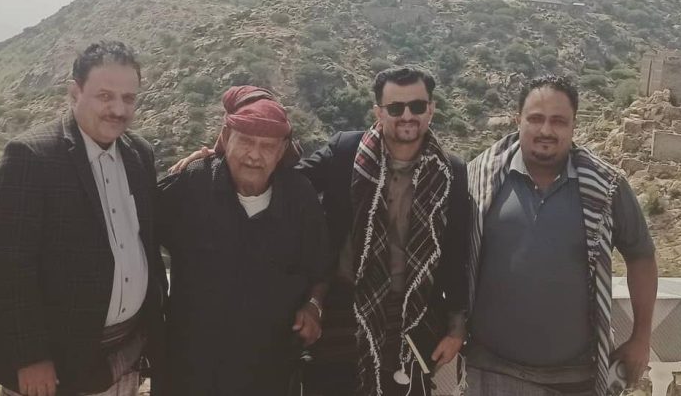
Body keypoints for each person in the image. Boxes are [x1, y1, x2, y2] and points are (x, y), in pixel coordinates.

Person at [171, 66, 470, 396]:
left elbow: (456, 251)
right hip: (344, 310)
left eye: (417, 106)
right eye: (396, 108)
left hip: (413, 317)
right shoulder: (347, 151)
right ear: (378, 112)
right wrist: (219, 157)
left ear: (431, 109)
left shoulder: (451, 171)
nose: (407, 116)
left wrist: (456, 327)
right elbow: (287, 178)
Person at [464, 75, 658, 396]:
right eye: (535, 119)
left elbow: (641, 257)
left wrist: (641, 338)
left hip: (576, 375)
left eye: (558, 121)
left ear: (573, 125)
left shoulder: (606, 187)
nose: (546, 130)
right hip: (491, 369)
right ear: (518, 119)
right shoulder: (479, 178)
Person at [0, 41, 167, 396]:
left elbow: (147, 243)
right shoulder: (32, 156)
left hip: (125, 357)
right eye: (105, 96)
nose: (118, 109)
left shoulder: (140, 154)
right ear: (75, 92)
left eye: (128, 98)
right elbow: (9, 266)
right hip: (56, 369)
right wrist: (30, 356)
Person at [157, 86, 333, 395]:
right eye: (246, 141)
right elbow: (137, 242)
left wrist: (314, 306)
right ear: (226, 138)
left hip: (269, 370)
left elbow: (319, 267)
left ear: (282, 150)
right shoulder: (191, 184)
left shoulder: (300, 197)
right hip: (190, 370)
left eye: (267, 146)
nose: (254, 155)